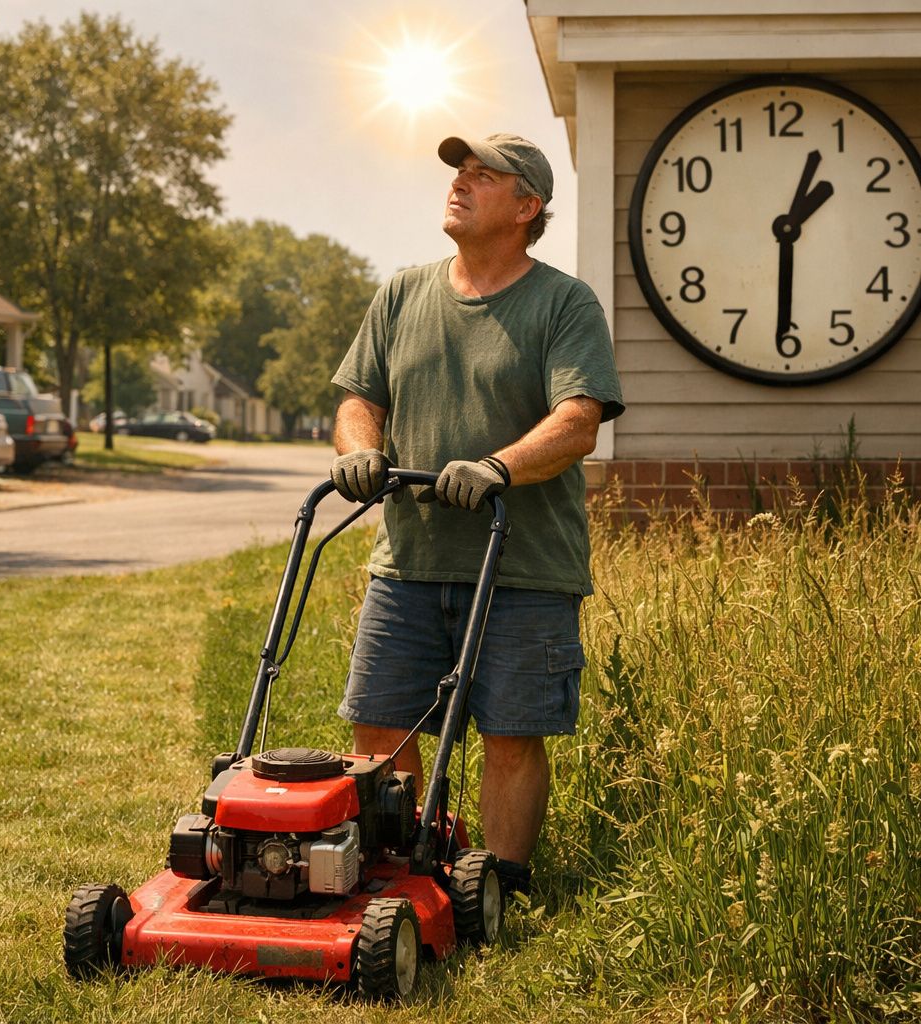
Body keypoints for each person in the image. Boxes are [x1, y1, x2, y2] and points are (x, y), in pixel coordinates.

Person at [329, 132, 624, 899]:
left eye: (482, 176)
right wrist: (361, 449)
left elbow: (579, 420)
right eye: (458, 173)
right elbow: (360, 398)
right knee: (378, 729)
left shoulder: (563, 302)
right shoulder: (403, 293)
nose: (459, 183)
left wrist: (498, 467)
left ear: (527, 207)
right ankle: (399, 874)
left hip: (523, 565)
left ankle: (502, 889)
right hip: (410, 561)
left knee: (511, 735)